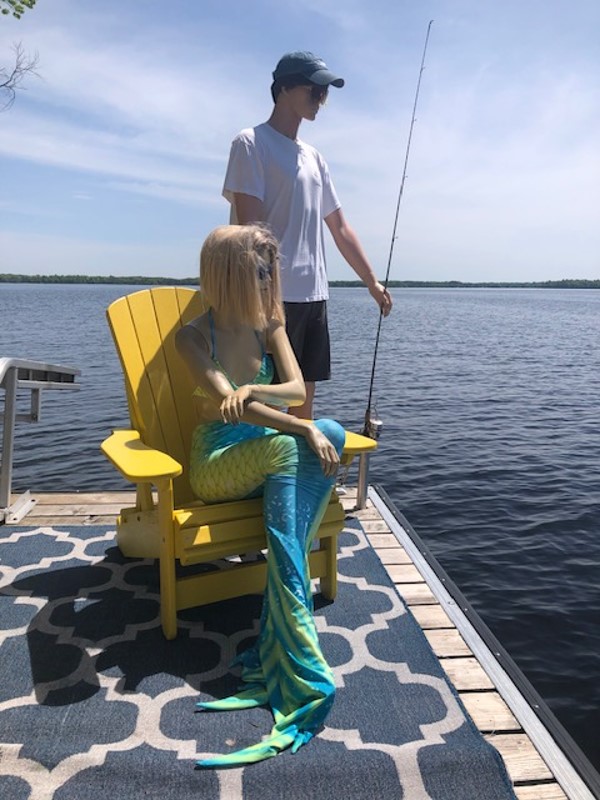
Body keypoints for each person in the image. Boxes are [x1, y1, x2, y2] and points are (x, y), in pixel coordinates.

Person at [175, 224, 346, 767]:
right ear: (229, 274)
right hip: (217, 464)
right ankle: (293, 606)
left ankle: (281, 601)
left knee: (334, 431)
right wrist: (301, 426)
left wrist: (257, 388)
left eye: (270, 270)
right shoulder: (191, 337)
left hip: (269, 450)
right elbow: (234, 408)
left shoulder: (270, 325)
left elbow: (294, 390)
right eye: (259, 271)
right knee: (302, 440)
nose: (268, 280)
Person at [222, 50, 393, 419]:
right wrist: (263, 297)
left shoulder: (315, 158)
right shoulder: (251, 143)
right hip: (268, 298)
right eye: (315, 90)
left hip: (313, 296)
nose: (321, 99)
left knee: (303, 403)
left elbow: (340, 227)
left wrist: (371, 282)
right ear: (284, 88)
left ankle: (301, 458)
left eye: (324, 94)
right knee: (265, 406)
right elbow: (249, 231)